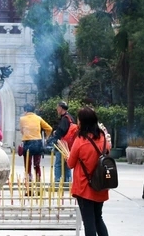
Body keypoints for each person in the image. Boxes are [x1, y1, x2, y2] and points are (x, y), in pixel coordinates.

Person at [67, 107, 109, 236]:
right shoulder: (103, 137)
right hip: (100, 184)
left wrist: (67, 157)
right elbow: (107, 151)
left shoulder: (80, 141)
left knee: (89, 222)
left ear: (82, 122)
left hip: (85, 187)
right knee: (98, 218)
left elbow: (70, 164)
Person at [19, 103, 52, 181]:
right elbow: (49, 128)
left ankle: (29, 188)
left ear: (25, 110)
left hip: (27, 143)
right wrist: (46, 138)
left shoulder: (22, 119)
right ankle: (38, 184)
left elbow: (22, 131)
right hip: (38, 143)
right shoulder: (39, 118)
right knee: (37, 165)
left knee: (28, 166)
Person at [53, 101, 75, 184]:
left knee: (58, 164)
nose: (56, 109)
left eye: (57, 107)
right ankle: (68, 182)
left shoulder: (65, 118)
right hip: (69, 144)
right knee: (67, 164)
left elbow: (62, 131)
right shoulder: (70, 117)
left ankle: (58, 182)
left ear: (61, 108)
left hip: (63, 144)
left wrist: (55, 133)